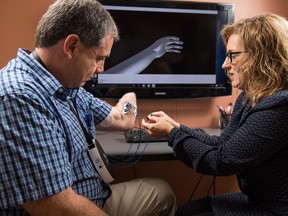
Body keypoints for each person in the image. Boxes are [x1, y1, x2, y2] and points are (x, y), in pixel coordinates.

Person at [0, 0, 177, 215]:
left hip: (93, 196)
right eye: (98, 58)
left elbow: (123, 118)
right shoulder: (20, 98)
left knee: (162, 192)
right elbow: (56, 207)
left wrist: (129, 93)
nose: (101, 70)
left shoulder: (67, 86)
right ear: (71, 46)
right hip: (68, 206)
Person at [142, 13, 288, 216]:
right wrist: (176, 126)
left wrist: (171, 134)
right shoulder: (248, 98)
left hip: (275, 209)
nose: (225, 65)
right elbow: (222, 144)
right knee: (185, 211)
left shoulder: (281, 105)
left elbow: (220, 161)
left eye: (232, 55)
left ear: (260, 55)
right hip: (256, 199)